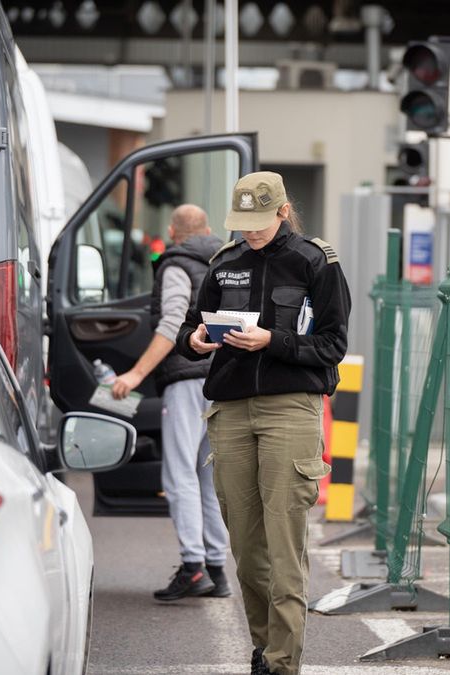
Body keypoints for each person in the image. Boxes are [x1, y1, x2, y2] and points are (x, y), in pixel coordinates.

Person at [174, 172, 350, 675]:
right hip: (230, 410)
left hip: (290, 407)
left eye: (259, 222)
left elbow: (333, 344)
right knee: (248, 549)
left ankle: (281, 663)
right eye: (242, 223)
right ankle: (263, 647)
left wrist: (272, 341)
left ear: (282, 211)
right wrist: (196, 340)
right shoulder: (224, 263)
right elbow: (190, 326)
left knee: (284, 545)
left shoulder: (315, 261)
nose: (249, 232)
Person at [110, 203, 231, 602]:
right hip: (222, 379)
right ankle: (217, 569)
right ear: (208, 231)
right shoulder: (225, 261)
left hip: (187, 378)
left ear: (173, 233)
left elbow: (172, 322)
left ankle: (193, 566)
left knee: (179, 475)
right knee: (208, 478)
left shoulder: (176, 264)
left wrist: (135, 374)